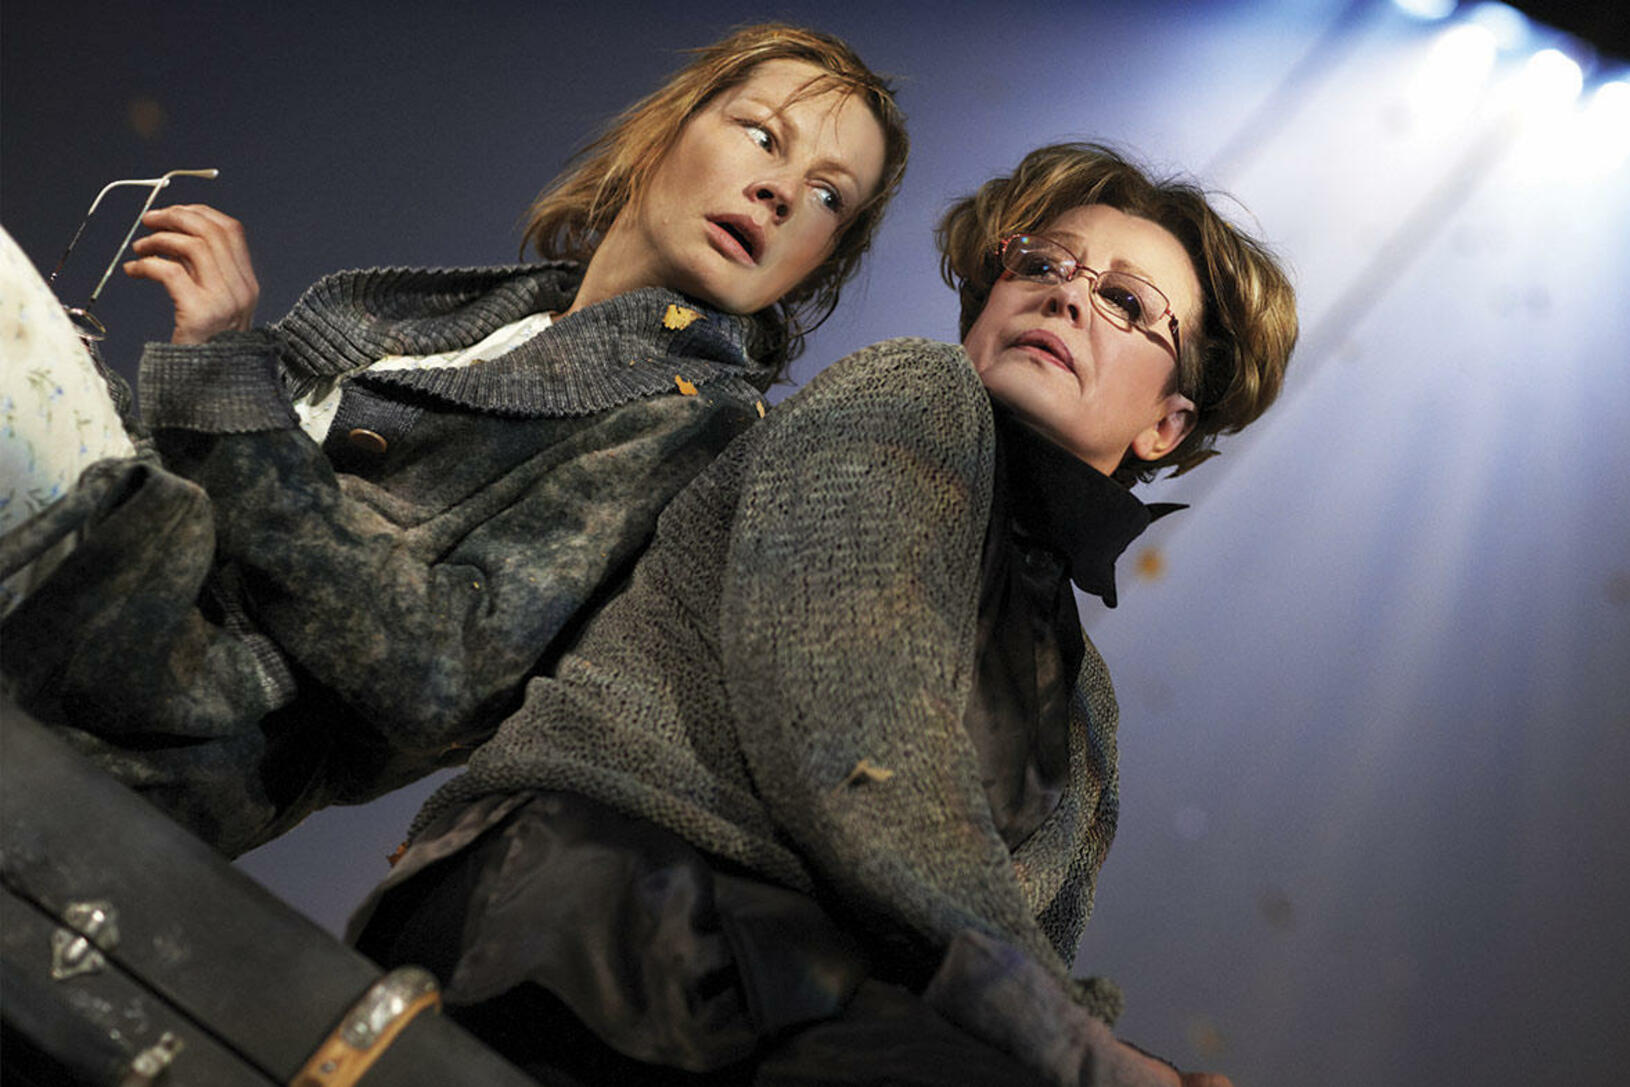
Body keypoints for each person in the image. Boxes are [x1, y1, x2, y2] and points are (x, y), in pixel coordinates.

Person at [350, 142, 1297, 1085]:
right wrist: (1079, 1047)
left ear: (1166, 424)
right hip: (602, 916)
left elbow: (1024, 967)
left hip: (801, 1005)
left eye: (1126, 301)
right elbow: (853, 732)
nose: (1066, 297)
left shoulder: (1089, 716)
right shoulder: (910, 394)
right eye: (1041, 264)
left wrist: (1071, 1046)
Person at [0, 23, 907, 857]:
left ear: (818, 262)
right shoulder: (503, 321)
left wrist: (228, 387)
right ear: (664, 131)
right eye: (763, 135)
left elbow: (441, 672)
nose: (782, 192)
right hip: (86, 612)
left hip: (146, 727)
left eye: (829, 195)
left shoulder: (696, 423)